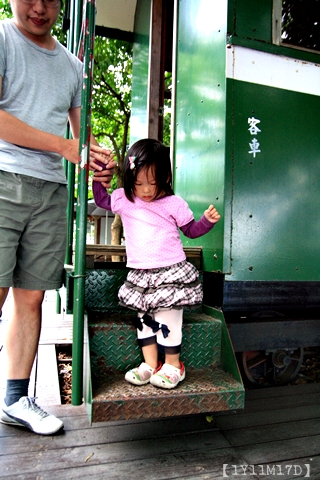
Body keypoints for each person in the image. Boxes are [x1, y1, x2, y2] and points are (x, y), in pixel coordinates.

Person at [0, 0, 115, 435]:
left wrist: (94, 157)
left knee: (31, 297)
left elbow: (80, 135)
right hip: (3, 176)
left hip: (52, 189)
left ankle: (15, 400)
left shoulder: (72, 65)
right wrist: (65, 147)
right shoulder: (3, 38)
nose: (40, 7)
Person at [93, 138, 221, 390]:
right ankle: (150, 365)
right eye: (139, 183)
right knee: (144, 320)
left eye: (153, 182)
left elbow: (191, 231)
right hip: (141, 275)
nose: (146, 190)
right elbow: (101, 200)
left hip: (171, 271)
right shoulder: (126, 200)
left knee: (168, 319)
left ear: (165, 177)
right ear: (130, 179)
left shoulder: (173, 203)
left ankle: (174, 365)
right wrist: (99, 175)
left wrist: (206, 221)